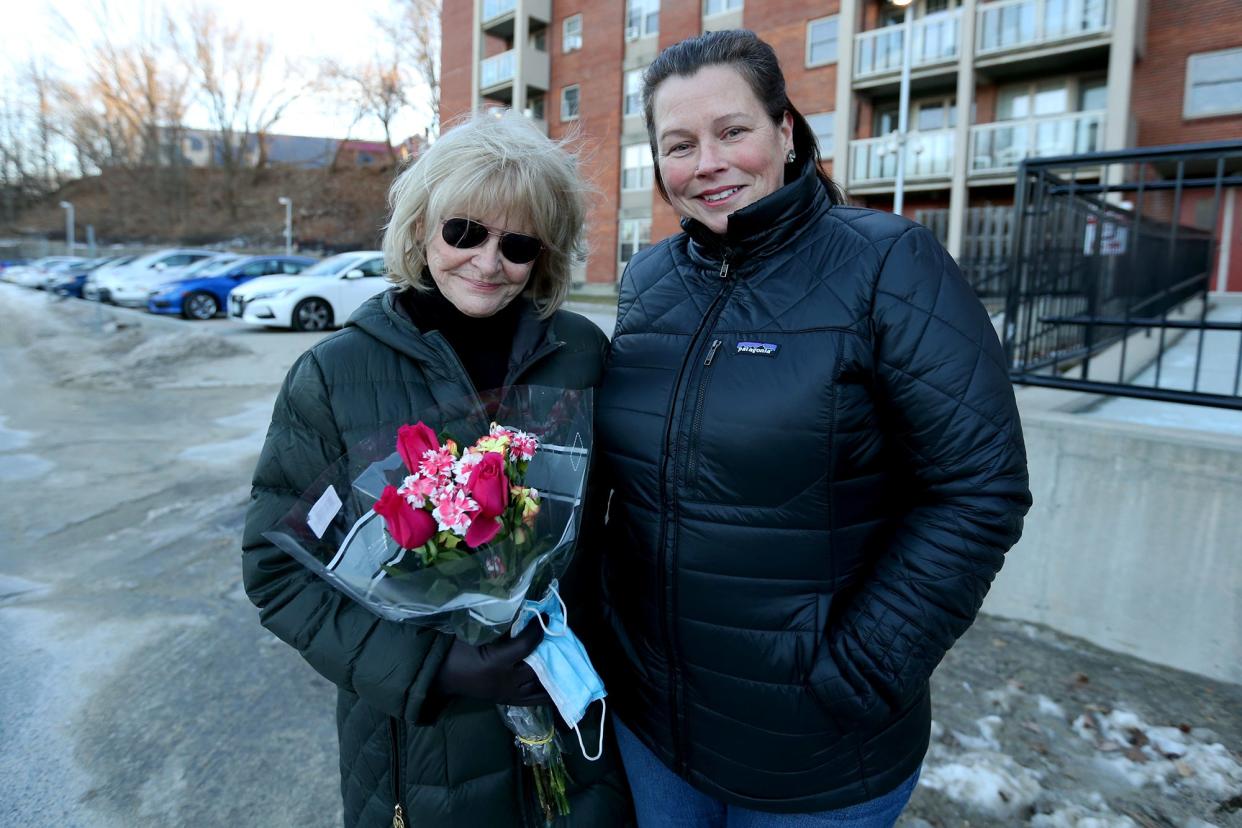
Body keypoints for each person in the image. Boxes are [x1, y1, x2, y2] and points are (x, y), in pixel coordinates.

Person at [590, 30, 1032, 827]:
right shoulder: (650, 280)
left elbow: (978, 488)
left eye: (733, 131)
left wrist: (862, 668)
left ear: (785, 131)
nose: (708, 163)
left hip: (818, 753)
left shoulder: (888, 264)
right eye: (679, 144)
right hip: (656, 727)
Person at [242, 110, 633, 827]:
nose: (488, 262)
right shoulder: (334, 373)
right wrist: (437, 668)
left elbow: (615, 527)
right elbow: (277, 570)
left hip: (569, 721)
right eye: (464, 232)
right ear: (422, 227)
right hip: (418, 758)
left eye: (517, 244)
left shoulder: (581, 351)